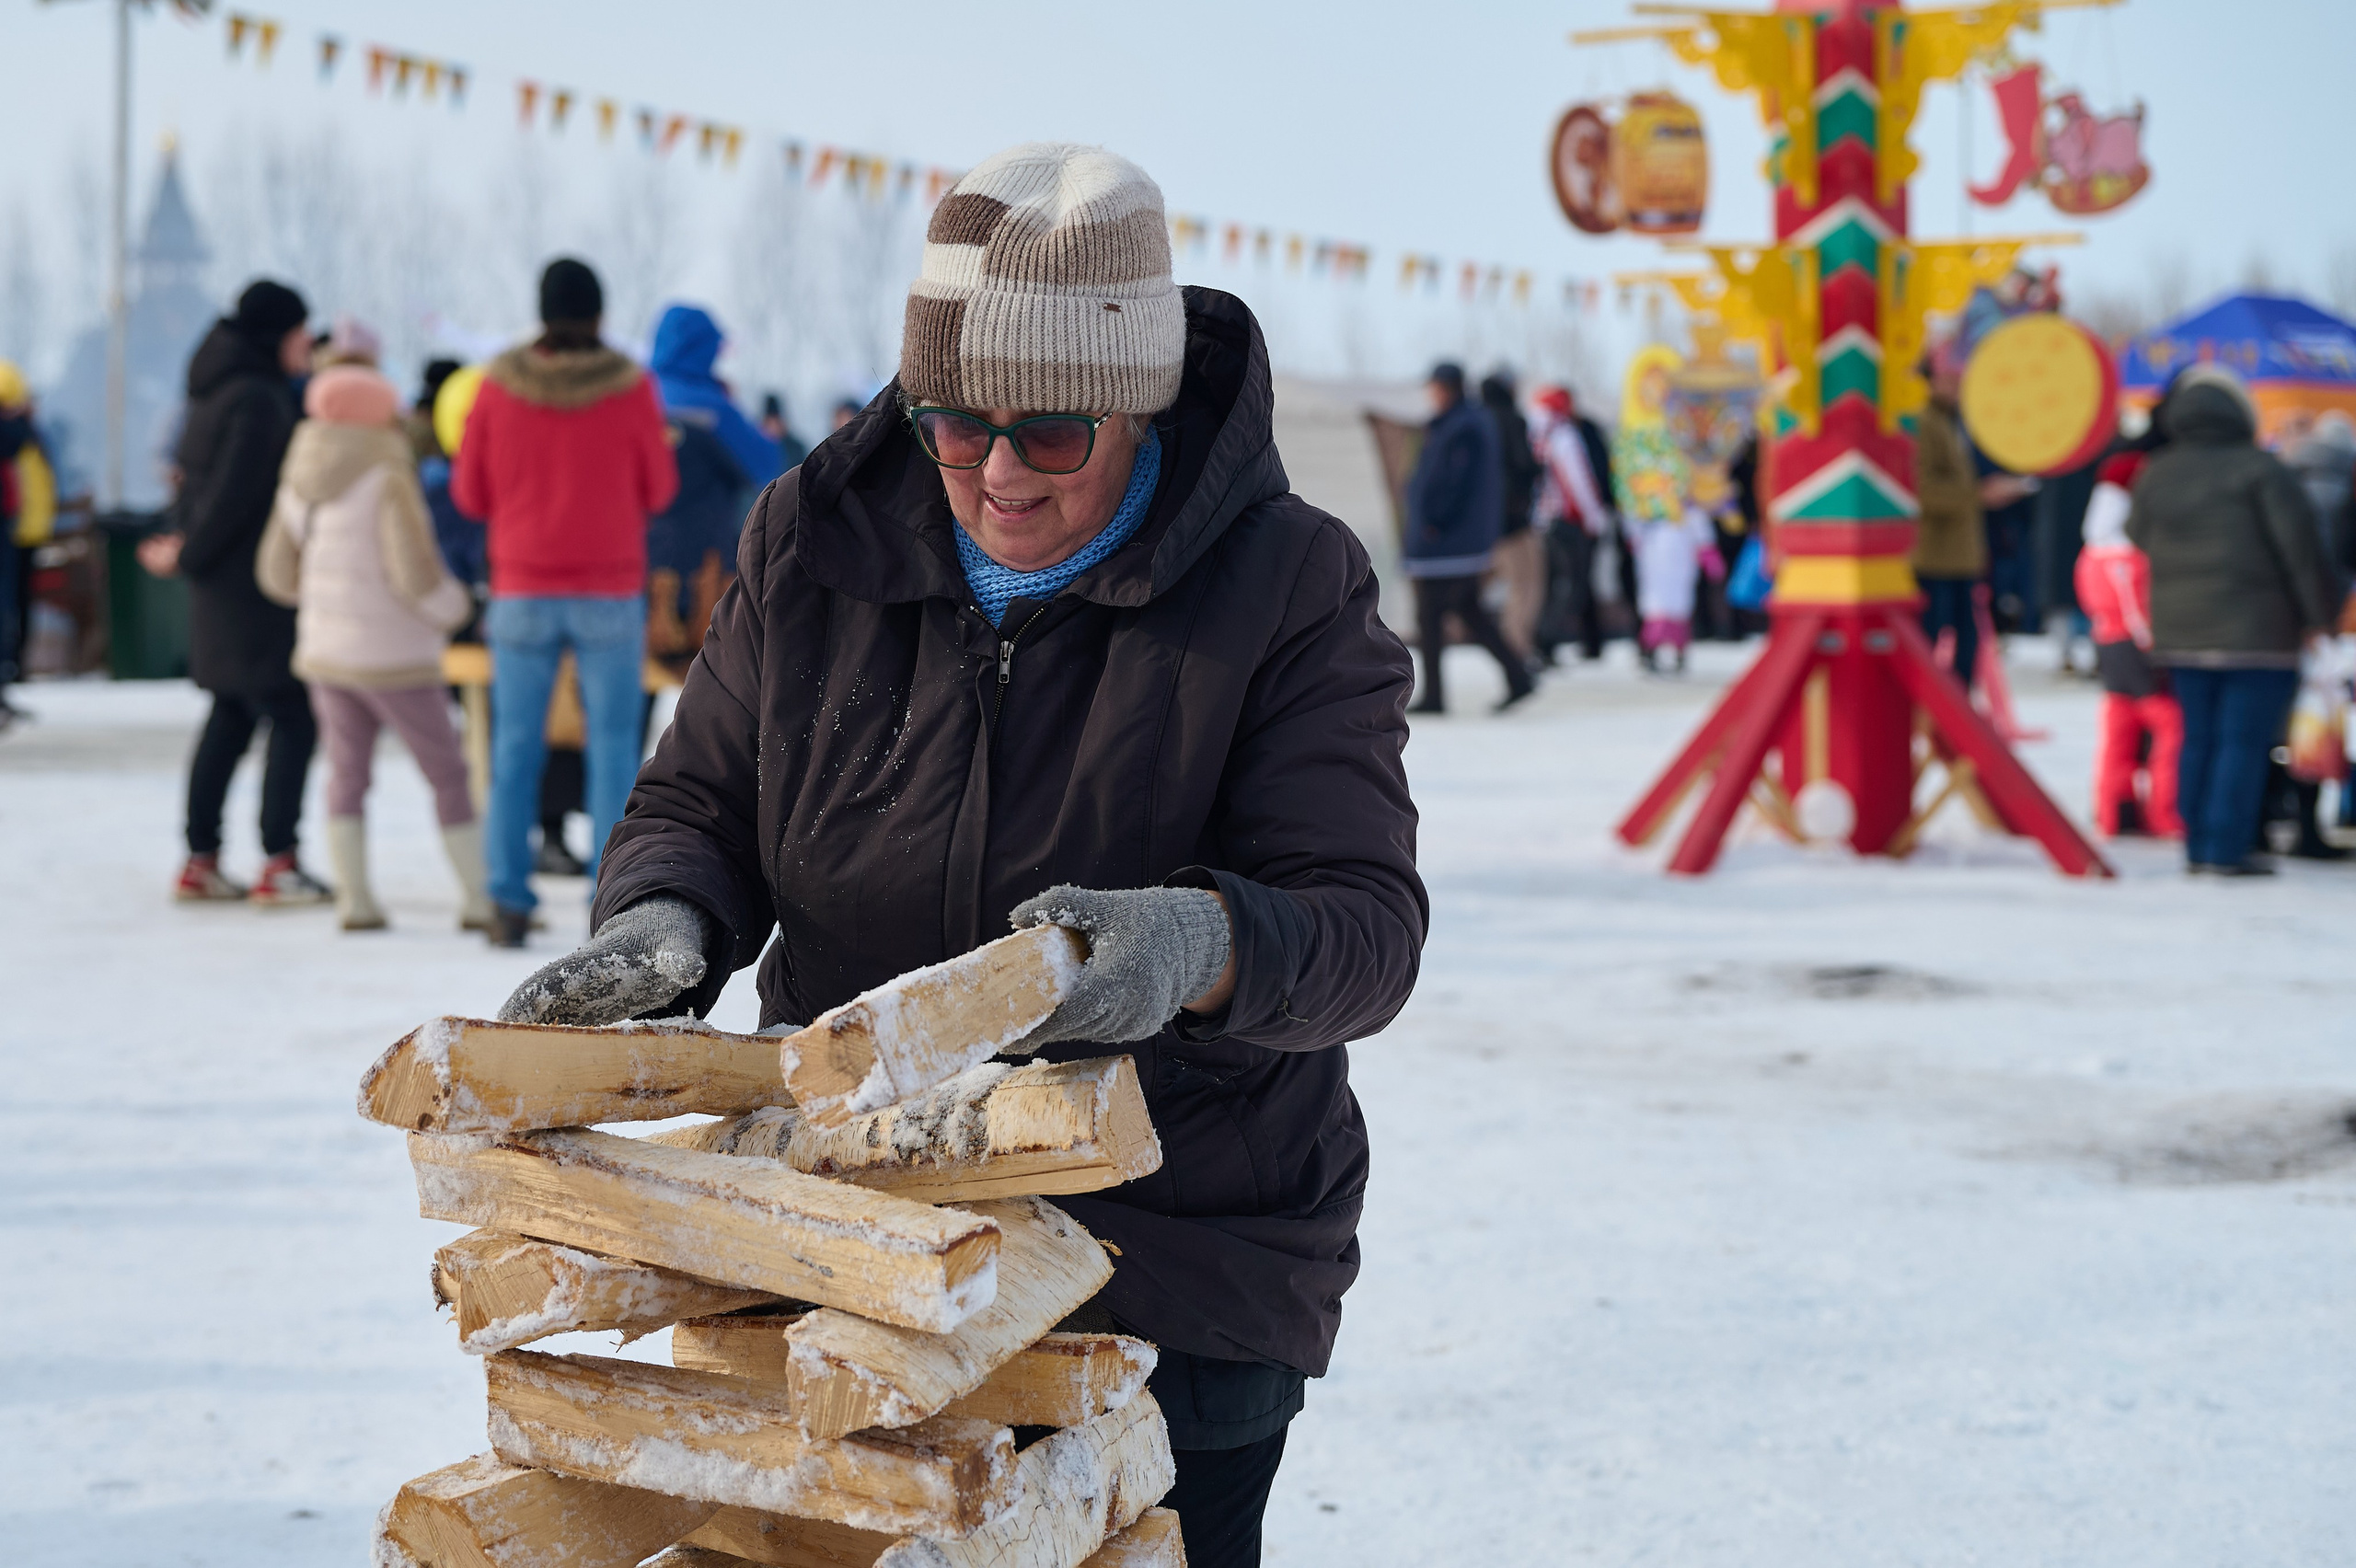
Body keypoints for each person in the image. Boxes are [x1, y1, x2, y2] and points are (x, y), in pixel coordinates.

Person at [492, 143, 1424, 1568]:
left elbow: (1361, 926)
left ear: (1138, 403)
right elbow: (702, 804)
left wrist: (1193, 947)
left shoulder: (1290, 585)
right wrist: (666, 921)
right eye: (954, 423)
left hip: (1170, 1252)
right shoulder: (815, 541)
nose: (997, 472)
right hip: (850, 1237)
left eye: (1051, 431)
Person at [451, 257, 678, 945]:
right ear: (599, 315)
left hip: (521, 586)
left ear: (541, 312)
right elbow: (660, 489)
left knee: (514, 745)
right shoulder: (632, 389)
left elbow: (470, 495)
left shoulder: (497, 389)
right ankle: (609, 898)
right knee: (613, 746)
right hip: (609, 588)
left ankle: (508, 900)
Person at [255, 353, 492, 931]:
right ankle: (478, 900)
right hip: (396, 659)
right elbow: (416, 574)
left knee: (346, 774)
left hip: (326, 656)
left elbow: (276, 575)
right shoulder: (388, 475)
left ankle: (355, 901)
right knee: (447, 773)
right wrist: (456, 608)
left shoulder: (298, 478)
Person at [2127, 366, 2341, 875]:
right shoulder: (2261, 470)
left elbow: (2137, 536)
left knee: (2198, 737)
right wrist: (2319, 617)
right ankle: (2226, 848)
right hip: (2258, 632)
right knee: (2242, 741)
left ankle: (2197, 844)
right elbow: (2301, 551)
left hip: (2181, 632)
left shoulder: (2156, 471)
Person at [160, 279, 330, 905]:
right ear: (277, 334)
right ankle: (279, 860)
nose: (307, 346)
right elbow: (238, 496)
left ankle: (200, 856)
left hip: (219, 587)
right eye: (299, 333)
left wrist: (185, 551)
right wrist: (194, 552)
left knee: (229, 715)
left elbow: (191, 485)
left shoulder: (212, 391)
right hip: (253, 589)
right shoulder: (259, 400)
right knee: (291, 712)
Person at [646, 305, 783, 669]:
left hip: (632, 585)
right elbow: (769, 467)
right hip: (701, 588)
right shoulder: (715, 410)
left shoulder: (631, 399)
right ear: (704, 350)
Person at [1403, 362, 1531, 713]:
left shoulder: (1463, 428)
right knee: (1468, 611)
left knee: (1430, 615)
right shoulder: (1460, 425)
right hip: (1454, 540)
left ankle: (1435, 696)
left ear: (1449, 388)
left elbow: (1451, 483)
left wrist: (1434, 521)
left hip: (1448, 542)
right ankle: (1518, 676)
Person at [2075, 441, 2183, 838]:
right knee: (2170, 730)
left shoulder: (2091, 550)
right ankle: (2165, 812)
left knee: (2119, 730)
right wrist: (2153, 643)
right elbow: (2137, 606)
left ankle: (2113, 809)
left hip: (2107, 645)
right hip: (2138, 648)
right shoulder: (2129, 551)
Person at [1612, 346, 1719, 674]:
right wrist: (1635, 515)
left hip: (1679, 523)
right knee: (1653, 590)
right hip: (1649, 525)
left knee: (1678, 588)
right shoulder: (1631, 436)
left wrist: (1704, 541)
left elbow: (1699, 478)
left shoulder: (1684, 434)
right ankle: (1653, 645)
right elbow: (1626, 481)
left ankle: (1677, 645)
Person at [1914, 345, 1991, 690]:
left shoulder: (1952, 420)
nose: (1958, 385)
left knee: (1967, 648)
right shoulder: (1924, 422)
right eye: (1950, 378)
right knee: (1931, 645)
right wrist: (1978, 494)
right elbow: (1922, 489)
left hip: (1959, 556)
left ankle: (1953, 719)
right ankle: (1938, 715)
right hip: (1933, 557)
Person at [1530, 383, 1615, 663]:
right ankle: (1546, 641)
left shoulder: (1536, 434)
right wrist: (1594, 517)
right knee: (1572, 585)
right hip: (1570, 521)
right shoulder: (1564, 435)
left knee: (1555, 584)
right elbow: (1579, 481)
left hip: (1545, 522)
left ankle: (1548, 642)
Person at [1478, 370, 1543, 663]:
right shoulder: (1511, 421)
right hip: (1513, 524)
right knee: (1526, 586)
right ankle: (1516, 652)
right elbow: (1523, 467)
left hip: (1484, 525)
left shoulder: (1476, 421)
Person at [758, 392, 810, 472]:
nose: (773, 428)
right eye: (769, 423)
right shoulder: (759, 449)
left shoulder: (796, 448)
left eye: (776, 422)